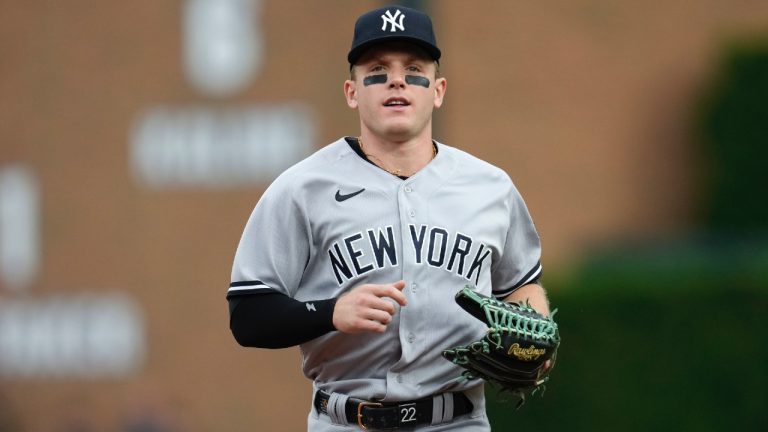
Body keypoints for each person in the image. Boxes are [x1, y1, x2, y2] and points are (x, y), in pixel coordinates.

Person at [227, 5, 551, 431]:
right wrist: (329, 311)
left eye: (414, 68)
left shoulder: (490, 186)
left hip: (457, 422)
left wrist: (538, 335)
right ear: (352, 92)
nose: (397, 79)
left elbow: (522, 286)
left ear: (437, 90)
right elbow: (248, 315)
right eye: (377, 69)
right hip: (346, 420)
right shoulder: (301, 188)